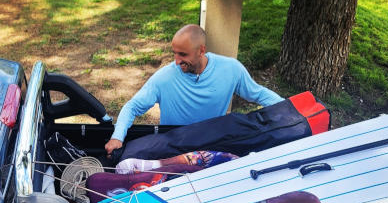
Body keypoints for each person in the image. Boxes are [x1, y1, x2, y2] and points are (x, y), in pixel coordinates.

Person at [104, 24, 284, 156]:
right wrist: (117, 137)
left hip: (214, 144)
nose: (176, 60)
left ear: (201, 50)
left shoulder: (231, 69)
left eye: (183, 54)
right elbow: (132, 106)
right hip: (174, 146)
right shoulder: (164, 78)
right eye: (174, 53)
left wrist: (291, 109)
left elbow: (259, 94)